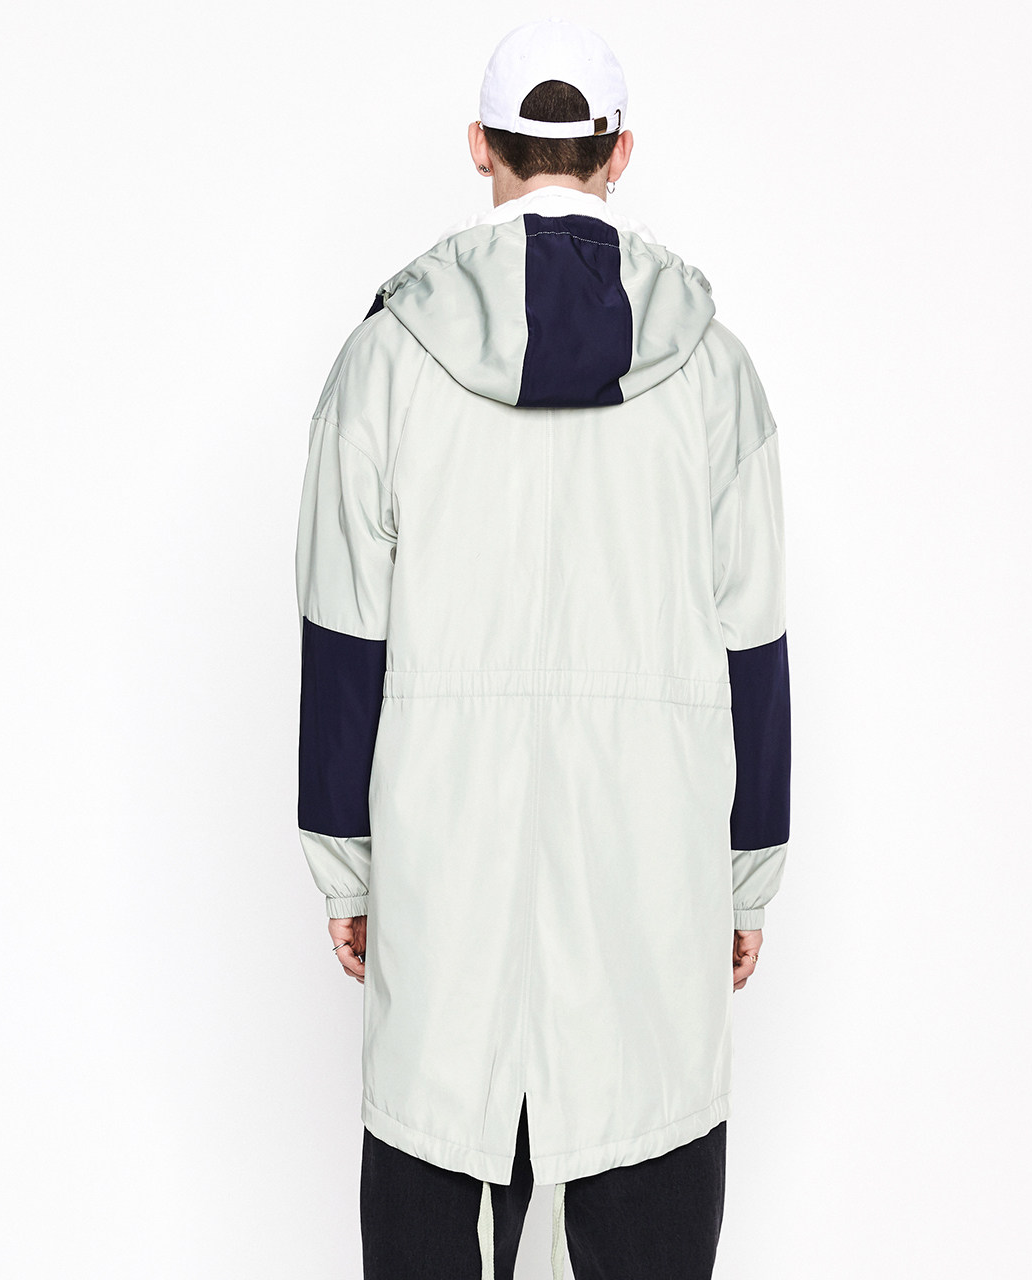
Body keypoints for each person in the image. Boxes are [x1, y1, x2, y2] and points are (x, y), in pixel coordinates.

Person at [294, 17, 791, 1280]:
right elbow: (754, 649)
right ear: (619, 152)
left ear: (480, 145)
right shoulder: (715, 375)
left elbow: (341, 638)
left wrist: (351, 872)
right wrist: (742, 879)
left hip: (443, 894)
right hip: (650, 894)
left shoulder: (381, 364)